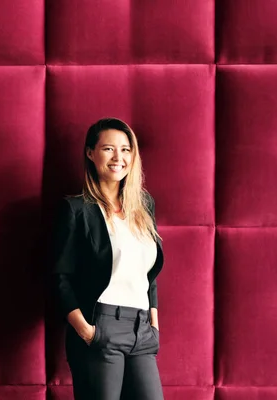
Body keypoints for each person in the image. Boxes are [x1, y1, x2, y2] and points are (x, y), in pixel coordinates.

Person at [52, 117, 165, 400]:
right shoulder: (76, 209)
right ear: (90, 153)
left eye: (126, 149)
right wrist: (87, 331)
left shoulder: (144, 206)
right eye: (108, 149)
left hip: (142, 330)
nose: (118, 157)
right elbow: (59, 277)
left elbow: (147, 275)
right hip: (100, 325)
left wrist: (154, 325)